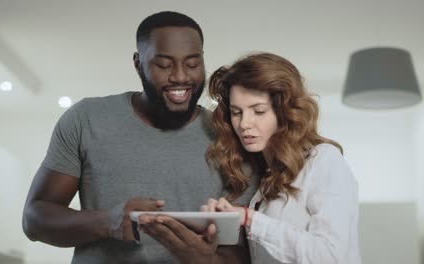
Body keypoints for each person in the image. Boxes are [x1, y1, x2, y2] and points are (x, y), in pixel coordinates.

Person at [22, 11, 257, 263]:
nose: (180, 76)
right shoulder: (87, 119)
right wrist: (107, 221)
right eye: (164, 65)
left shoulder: (231, 135)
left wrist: (205, 261)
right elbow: (34, 219)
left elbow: (248, 251)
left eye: (192, 64)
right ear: (138, 63)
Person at [202, 52, 361, 263]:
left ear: (284, 112)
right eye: (236, 112)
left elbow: (329, 256)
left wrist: (250, 220)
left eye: (258, 111)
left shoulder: (324, 161)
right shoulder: (263, 183)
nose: (244, 124)